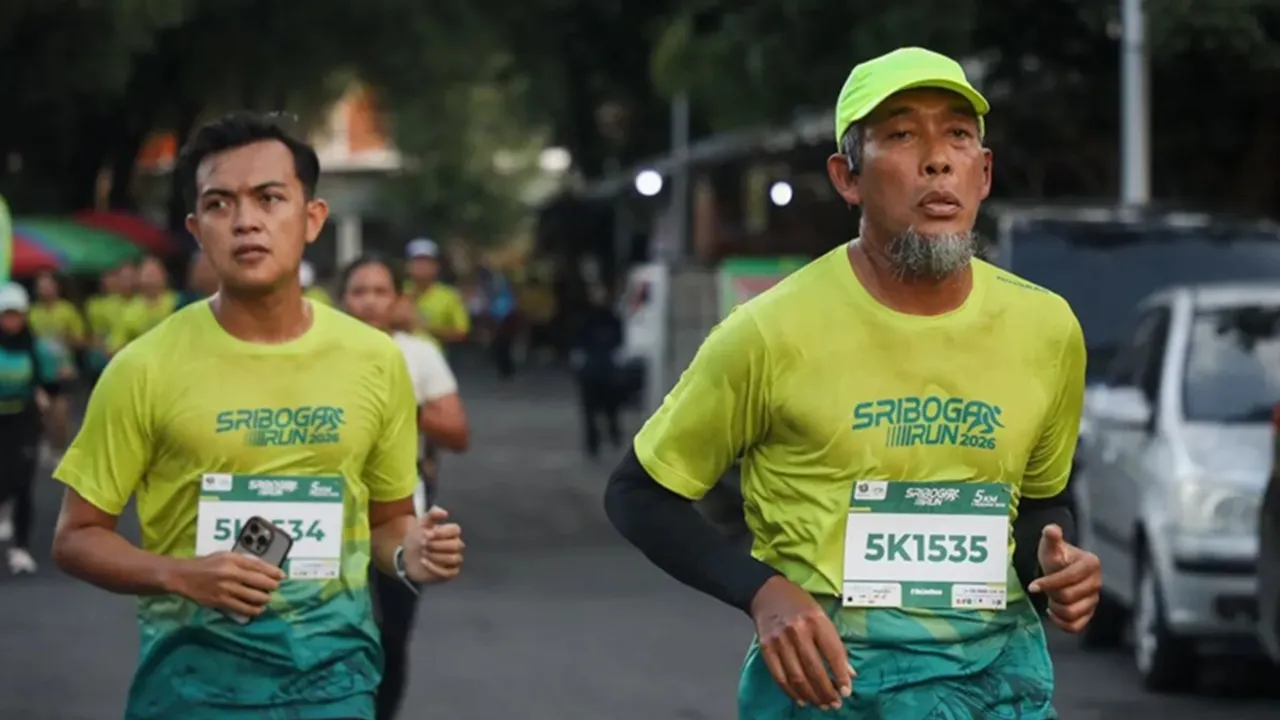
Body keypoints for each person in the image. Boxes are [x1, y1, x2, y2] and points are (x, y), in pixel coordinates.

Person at [603, 47, 1102, 719]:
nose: (936, 158)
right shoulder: (769, 332)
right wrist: (762, 592)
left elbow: (1042, 503)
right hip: (831, 695)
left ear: (982, 174)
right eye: (900, 135)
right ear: (848, 178)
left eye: (958, 134)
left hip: (995, 691)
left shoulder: (1047, 329)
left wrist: (1058, 572)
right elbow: (638, 493)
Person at [50, 112, 466, 720]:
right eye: (220, 204)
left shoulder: (375, 360)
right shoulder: (144, 367)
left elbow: (389, 523)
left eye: (270, 198)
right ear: (197, 228)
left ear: (312, 217)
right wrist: (181, 575)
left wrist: (412, 554)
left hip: (336, 690)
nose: (246, 221)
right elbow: (75, 537)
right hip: (191, 694)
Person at [339, 253, 470, 720]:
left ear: (397, 300)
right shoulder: (319, 353)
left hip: (401, 508)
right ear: (342, 300)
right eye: (359, 291)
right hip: (331, 512)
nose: (370, 302)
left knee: (392, 633)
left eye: (380, 291)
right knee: (336, 631)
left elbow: (457, 433)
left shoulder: (419, 353)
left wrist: (402, 409)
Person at [0, 282, 67, 575]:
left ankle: (21, 548)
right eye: (6, 315)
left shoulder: (35, 347)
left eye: (16, 314)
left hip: (24, 421)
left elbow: (51, 384)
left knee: (24, 481)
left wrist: (49, 391)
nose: (11, 321)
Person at [571, 283, 624, 459]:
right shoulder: (586, 320)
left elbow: (619, 342)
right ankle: (592, 442)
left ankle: (613, 435)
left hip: (607, 371)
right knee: (590, 411)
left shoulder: (612, 320)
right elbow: (578, 345)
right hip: (591, 372)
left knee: (611, 409)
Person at [404, 238, 470, 346]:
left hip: (434, 357)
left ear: (436, 267)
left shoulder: (449, 296)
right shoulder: (399, 290)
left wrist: (430, 330)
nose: (421, 267)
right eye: (417, 262)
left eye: (426, 262)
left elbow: (461, 332)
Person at [107, 256, 178, 353]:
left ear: (164, 276)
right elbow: (115, 346)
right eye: (147, 275)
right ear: (138, 278)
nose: (151, 279)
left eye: (154, 274)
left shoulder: (178, 301)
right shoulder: (128, 310)